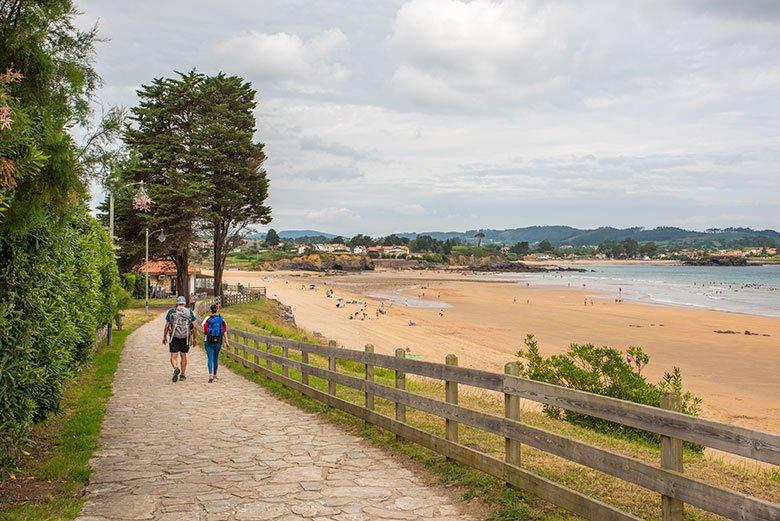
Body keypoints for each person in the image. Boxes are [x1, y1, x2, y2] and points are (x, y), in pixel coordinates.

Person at [163, 296, 197, 382]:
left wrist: (164, 336)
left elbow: (167, 325)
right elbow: (195, 326)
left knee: (173, 356)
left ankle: (176, 368)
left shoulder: (172, 311)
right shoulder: (189, 312)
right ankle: (183, 374)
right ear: (185, 303)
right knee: (183, 356)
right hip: (185, 337)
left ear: (177, 302)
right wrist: (194, 338)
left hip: (174, 336)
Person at [202, 304, 229, 383]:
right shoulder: (221, 319)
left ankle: (210, 374)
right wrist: (227, 341)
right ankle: (215, 375)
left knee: (210, 358)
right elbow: (224, 330)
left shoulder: (207, 318)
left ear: (210, 310)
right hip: (218, 341)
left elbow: (204, 331)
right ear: (217, 310)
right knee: (215, 358)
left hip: (208, 340)